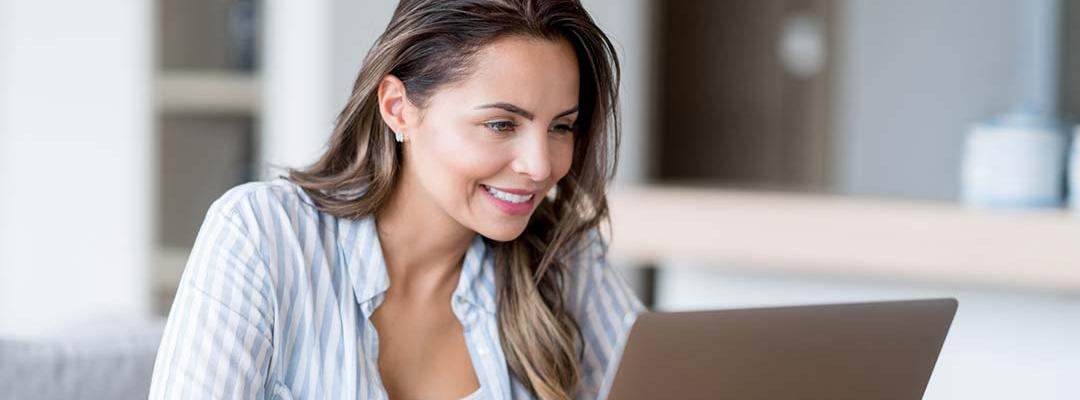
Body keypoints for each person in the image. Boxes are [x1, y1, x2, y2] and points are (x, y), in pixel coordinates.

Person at [148, 0, 642, 398]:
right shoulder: (263, 237)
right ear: (398, 108)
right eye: (500, 125)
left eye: (561, 127)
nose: (540, 166)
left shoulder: (561, 258)